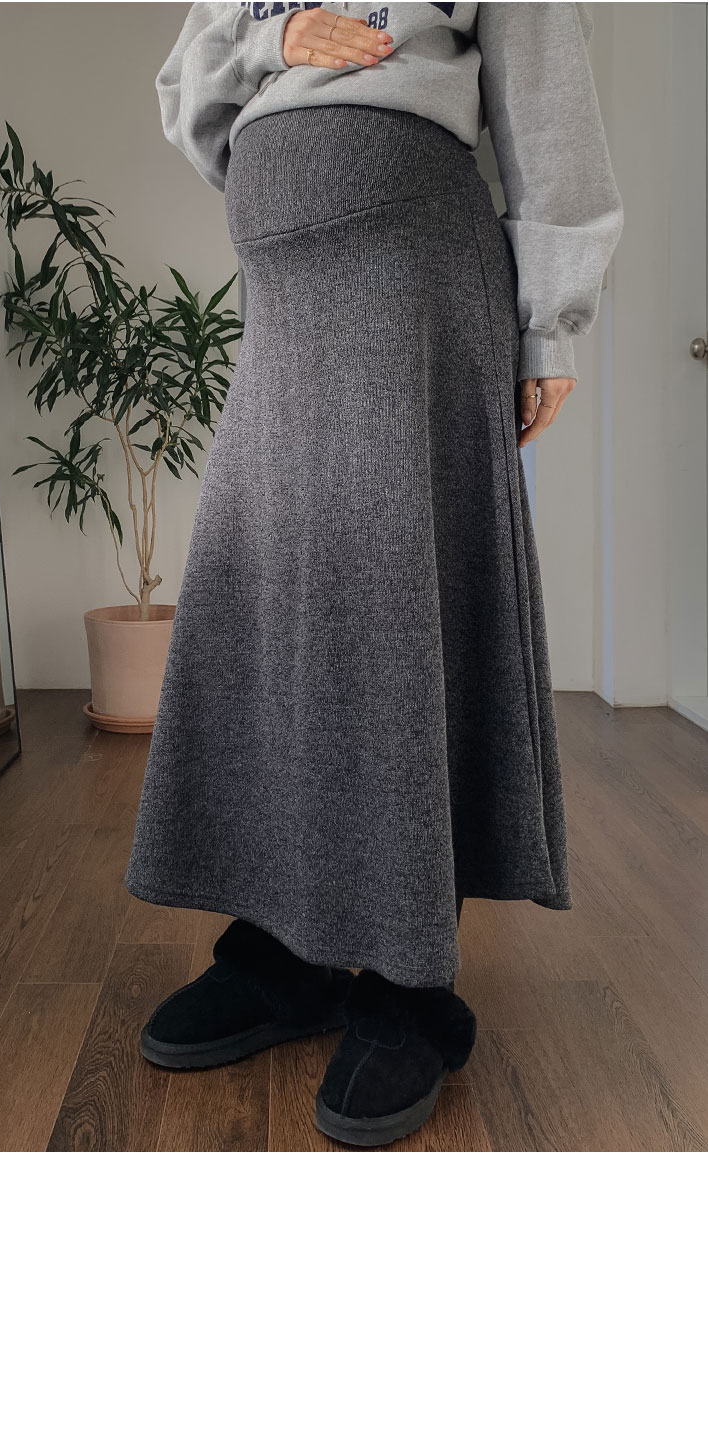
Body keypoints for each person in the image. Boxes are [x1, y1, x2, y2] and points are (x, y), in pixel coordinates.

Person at [124, 1, 623, 1147]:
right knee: (279, 605)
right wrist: (273, 42)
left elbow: (546, 98)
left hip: (413, 278)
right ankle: (287, 951)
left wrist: (549, 325)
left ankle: (405, 983)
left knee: (398, 608)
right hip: (286, 304)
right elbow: (186, 95)